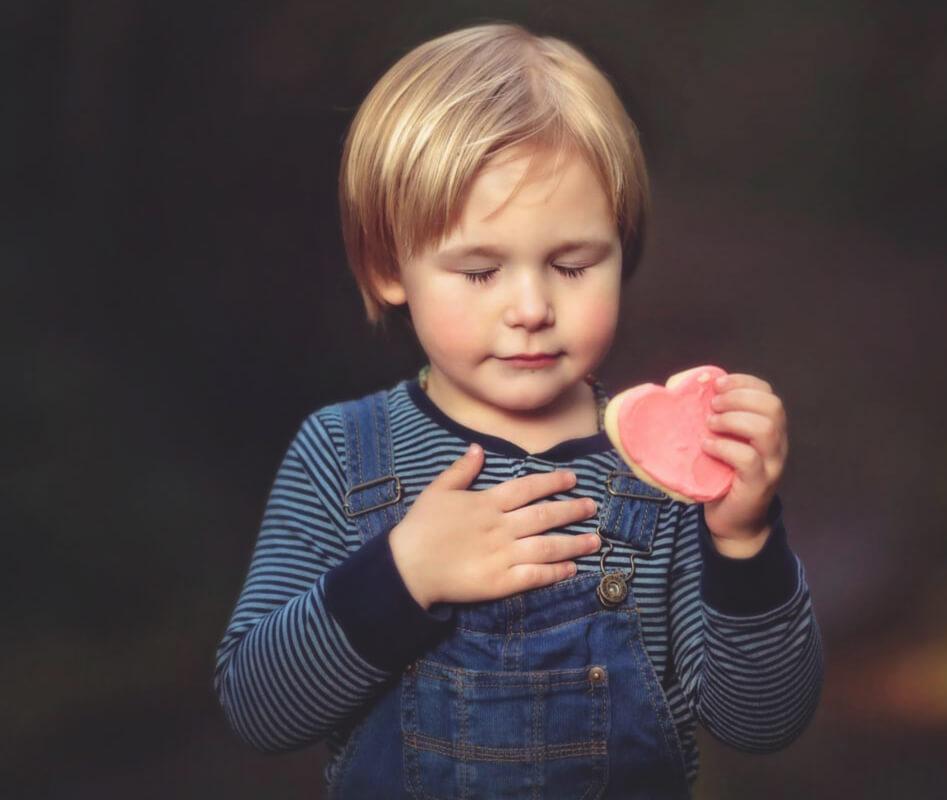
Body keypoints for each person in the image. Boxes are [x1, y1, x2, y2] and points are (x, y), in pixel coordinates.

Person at [213, 21, 823, 799]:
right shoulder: (342, 452)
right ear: (388, 267)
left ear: (621, 249)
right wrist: (403, 577)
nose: (531, 307)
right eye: (479, 271)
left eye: (571, 264)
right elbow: (258, 709)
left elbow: (764, 723)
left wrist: (746, 541)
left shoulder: (668, 479)